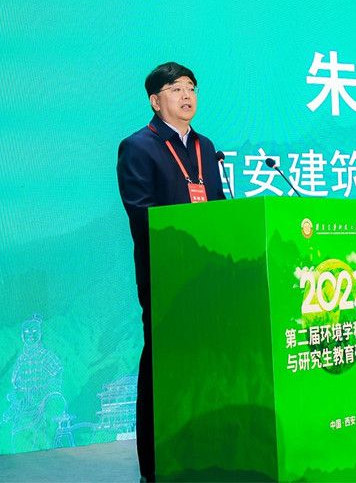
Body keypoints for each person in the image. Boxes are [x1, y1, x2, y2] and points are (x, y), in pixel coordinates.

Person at [116, 61, 226, 482]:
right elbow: (141, 214)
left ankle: (203, 451)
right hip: (166, 277)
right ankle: (155, 466)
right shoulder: (138, 147)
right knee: (162, 367)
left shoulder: (205, 147)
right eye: (176, 88)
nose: (186, 95)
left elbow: (218, 212)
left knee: (207, 365)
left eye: (191, 87)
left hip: (208, 279)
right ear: (155, 100)